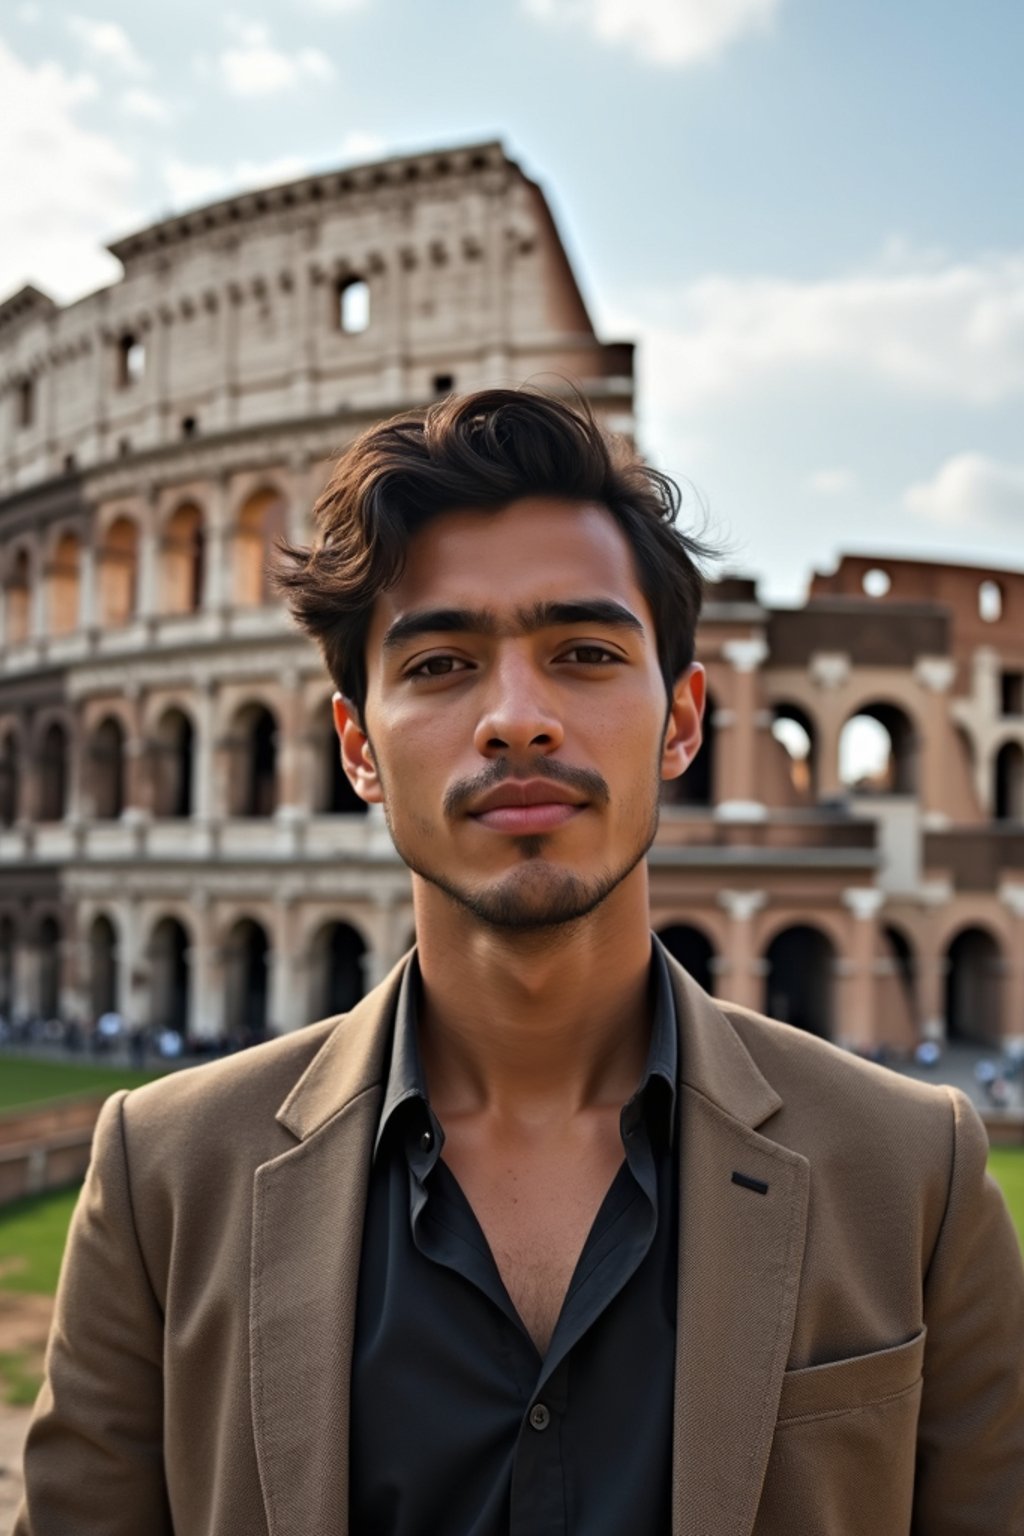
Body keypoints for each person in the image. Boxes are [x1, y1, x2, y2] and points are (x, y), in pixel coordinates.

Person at [16, 389, 1024, 1535]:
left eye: (584, 652)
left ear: (683, 722)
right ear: (358, 747)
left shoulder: (910, 1176)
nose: (517, 719)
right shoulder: (163, 1181)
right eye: (441, 664)